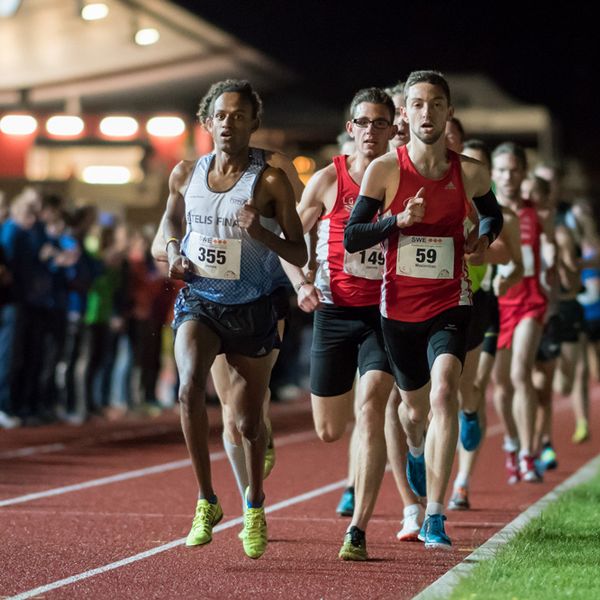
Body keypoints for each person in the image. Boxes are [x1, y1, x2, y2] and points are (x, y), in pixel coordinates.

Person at [344, 70, 503, 549]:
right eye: (417, 104)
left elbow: (491, 213)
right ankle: (416, 447)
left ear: (448, 111)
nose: (427, 112)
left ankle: (435, 514)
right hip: (398, 310)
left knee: (445, 393)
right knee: (413, 411)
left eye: (436, 104)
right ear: (405, 114)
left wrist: (483, 235)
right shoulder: (385, 170)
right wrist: (396, 221)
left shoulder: (469, 171)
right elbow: (354, 236)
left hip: (450, 302)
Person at [163, 79, 306, 559]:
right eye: (221, 115)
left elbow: (298, 249)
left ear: (253, 123)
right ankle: (206, 499)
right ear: (207, 122)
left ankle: (255, 506)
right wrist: (171, 252)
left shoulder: (269, 181)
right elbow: (169, 224)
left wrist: (260, 235)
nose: (229, 123)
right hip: (200, 300)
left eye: (239, 115)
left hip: (253, 307)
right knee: (188, 389)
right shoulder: (185, 173)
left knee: (247, 424)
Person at [282, 87, 399, 560]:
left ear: (393, 129)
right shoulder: (328, 180)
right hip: (333, 311)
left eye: (380, 123)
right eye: (363, 122)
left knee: (371, 405)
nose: (371, 131)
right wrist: (300, 284)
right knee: (330, 429)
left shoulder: (402, 179)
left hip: (387, 314)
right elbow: (289, 240)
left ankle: (358, 529)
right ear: (351, 128)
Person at [449, 139, 523, 511]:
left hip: (480, 301)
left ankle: (462, 482)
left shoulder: (496, 209)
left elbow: (510, 254)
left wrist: (475, 246)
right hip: (438, 298)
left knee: (473, 388)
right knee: (436, 392)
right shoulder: (442, 195)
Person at [491, 143, 555, 484]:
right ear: (492, 174)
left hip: (531, 300)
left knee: (520, 374)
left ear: (523, 173)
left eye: (514, 170)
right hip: (498, 304)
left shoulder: (538, 215)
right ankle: (512, 444)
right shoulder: (486, 211)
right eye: (501, 170)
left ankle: (530, 455)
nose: (508, 176)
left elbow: (550, 253)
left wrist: (555, 264)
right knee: (500, 386)